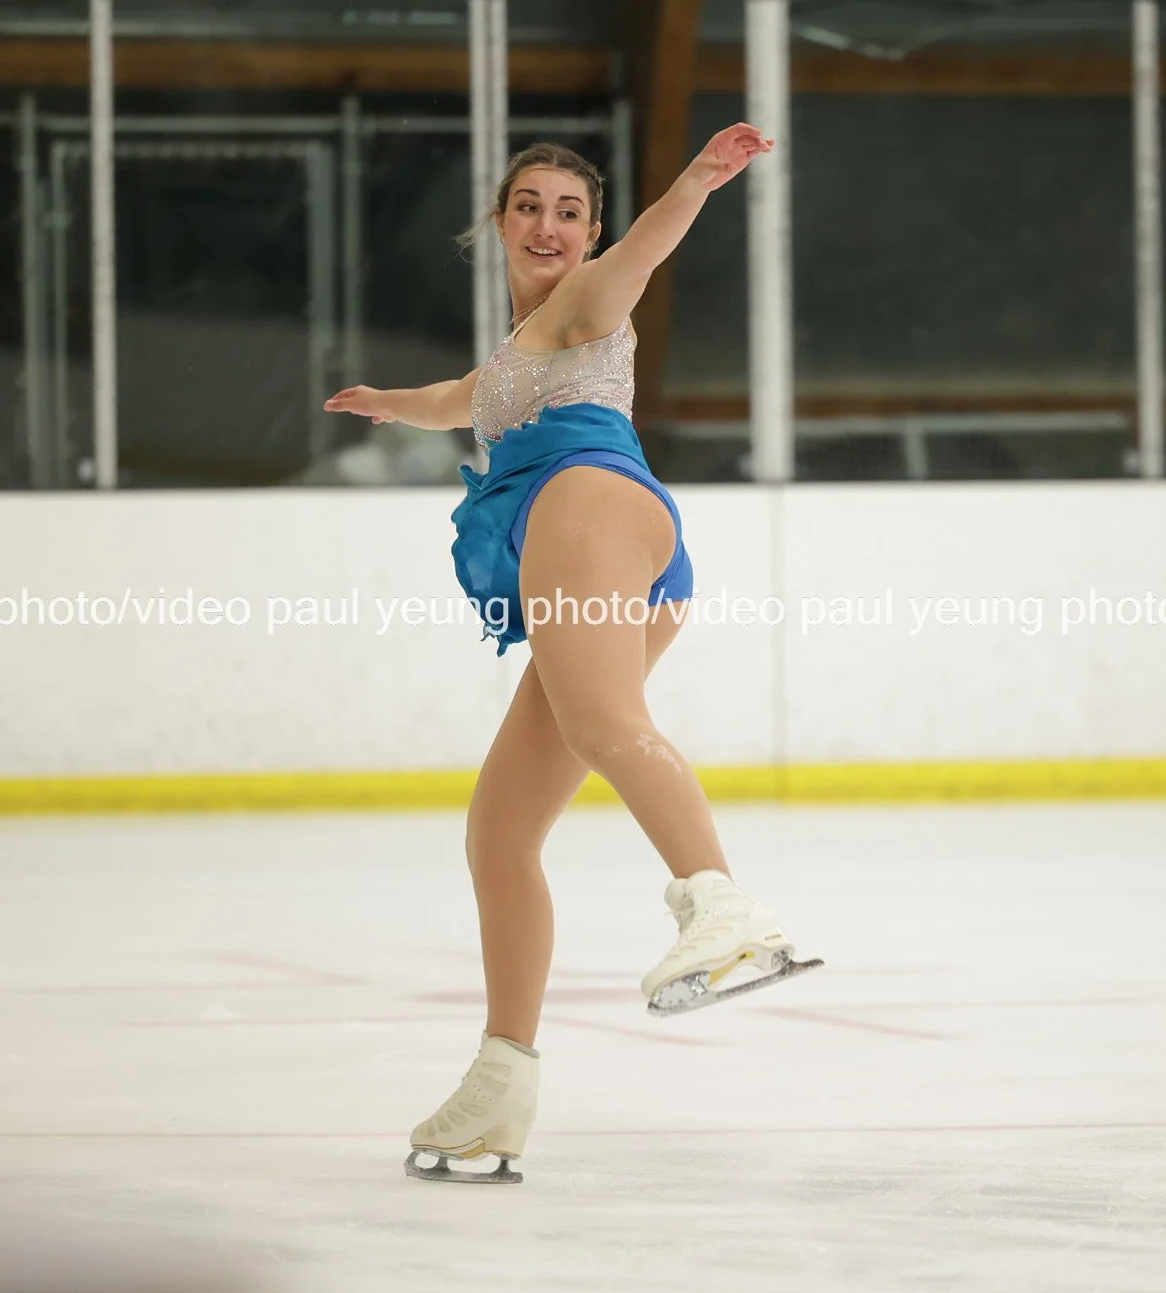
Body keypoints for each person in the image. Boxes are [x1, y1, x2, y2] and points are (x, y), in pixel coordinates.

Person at [323, 126, 818, 1184]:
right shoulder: (520, 352)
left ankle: (721, 905)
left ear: (589, 234)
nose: (547, 225)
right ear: (500, 221)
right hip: (617, 537)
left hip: (589, 505)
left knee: (604, 724)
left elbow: (644, 253)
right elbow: (462, 401)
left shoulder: (590, 298)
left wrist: (697, 179)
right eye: (529, 206)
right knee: (499, 834)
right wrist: (386, 404)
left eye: (569, 212)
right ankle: (500, 1081)